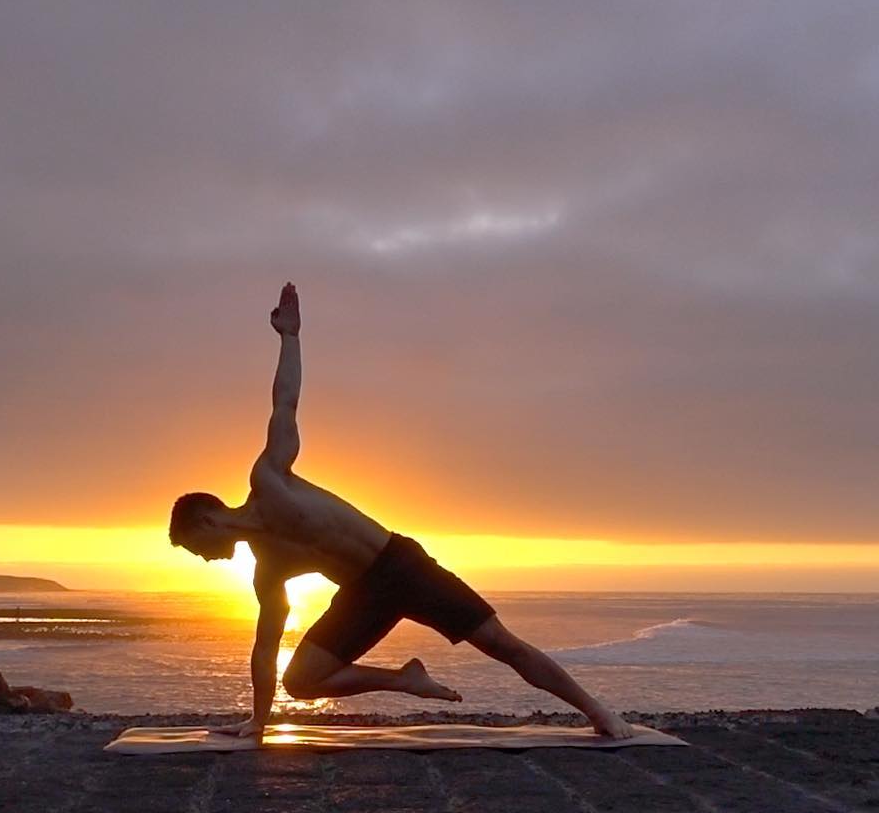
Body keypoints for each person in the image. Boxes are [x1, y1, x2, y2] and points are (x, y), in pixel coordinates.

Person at [168, 282, 636, 740]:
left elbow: (285, 403)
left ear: (206, 519)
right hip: (363, 594)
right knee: (301, 681)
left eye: (195, 547)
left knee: (501, 644)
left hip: (401, 565)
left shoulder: (269, 480)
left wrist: (290, 338)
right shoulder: (267, 570)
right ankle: (404, 679)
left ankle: (598, 711)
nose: (203, 558)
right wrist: (259, 721)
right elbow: (264, 647)